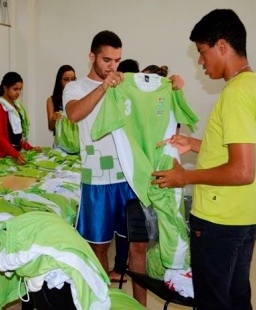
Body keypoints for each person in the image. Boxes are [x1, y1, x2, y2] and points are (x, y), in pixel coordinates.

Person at [151, 9, 256, 310]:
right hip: (245, 216)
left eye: (202, 52)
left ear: (222, 46)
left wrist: (185, 177)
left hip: (220, 220)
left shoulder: (235, 94)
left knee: (212, 301)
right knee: (236, 297)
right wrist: (193, 144)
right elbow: (241, 148)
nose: (201, 61)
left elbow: (242, 170)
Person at [63, 30, 184, 306]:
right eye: (106, 59)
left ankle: (139, 306)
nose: (112, 66)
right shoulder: (76, 87)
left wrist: (171, 85)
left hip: (131, 177)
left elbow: (153, 106)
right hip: (97, 181)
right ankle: (105, 302)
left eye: (117, 60)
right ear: (91, 56)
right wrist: (104, 86)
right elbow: (73, 113)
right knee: (99, 247)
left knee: (138, 245)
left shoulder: (125, 85)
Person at [108, 58, 140, 284]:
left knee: (125, 224)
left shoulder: (121, 97)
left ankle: (120, 267)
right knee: (130, 225)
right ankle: (123, 265)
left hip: (127, 170)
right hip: (136, 169)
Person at [0, 71, 39, 165]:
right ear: (5, 88)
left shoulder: (17, 106)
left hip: (13, 155)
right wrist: (15, 154)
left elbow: (17, 136)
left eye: (20, 89)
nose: (18, 93)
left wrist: (30, 148)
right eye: (15, 89)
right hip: (2, 156)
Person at [46, 65, 76, 134]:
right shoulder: (51, 100)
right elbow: (51, 127)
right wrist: (53, 119)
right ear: (60, 80)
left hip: (78, 140)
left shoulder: (79, 97)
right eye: (66, 79)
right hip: (60, 141)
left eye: (72, 79)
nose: (70, 82)